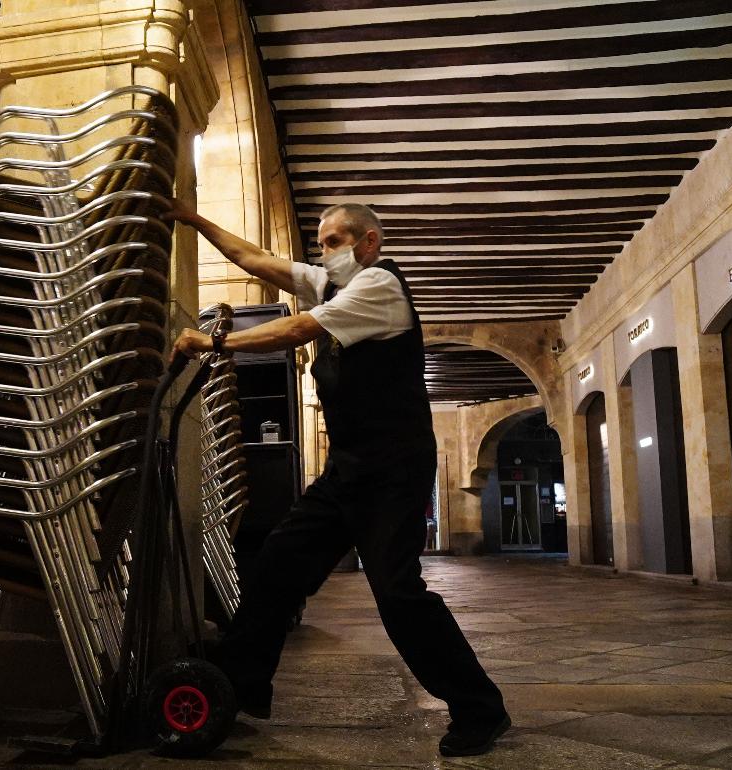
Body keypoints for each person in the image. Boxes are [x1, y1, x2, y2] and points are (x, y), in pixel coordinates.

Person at [163, 198, 510, 757]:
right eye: (320, 243)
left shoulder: (378, 287)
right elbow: (256, 259)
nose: (322, 253)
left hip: (393, 469)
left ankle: (480, 709)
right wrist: (195, 220)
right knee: (280, 563)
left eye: (332, 242)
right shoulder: (334, 283)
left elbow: (297, 330)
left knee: (397, 594)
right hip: (349, 467)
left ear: (367, 243)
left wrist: (214, 342)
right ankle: (237, 682)